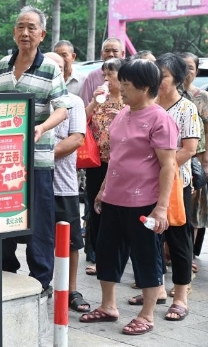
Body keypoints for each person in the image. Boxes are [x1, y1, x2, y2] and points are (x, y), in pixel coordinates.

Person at [80, 59, 178, 336]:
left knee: (146, 256)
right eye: (119, 83)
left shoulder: (160, 119)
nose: (120, 89)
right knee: (107, 252)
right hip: (114, 198)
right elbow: (116, 158)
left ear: (145, 87)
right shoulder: (123, 114)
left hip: (144, 202)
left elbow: (169, 165)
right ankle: (108, 306)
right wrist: (102, 190)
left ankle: (147, 314)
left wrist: (161, 208)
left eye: (126, 85)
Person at [0, 6, 71, 296]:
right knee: (1, 216)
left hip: (37, 159)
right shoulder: (2, 65)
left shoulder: (50, 67)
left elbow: (62, 109)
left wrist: (41, 127)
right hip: (3, 159)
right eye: (20, 27)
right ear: (14, 31)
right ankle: (2, 270)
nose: (25, 33)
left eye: (31, 28)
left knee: (38, 221)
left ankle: (41, 280)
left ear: (42, 34)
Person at [146, 53, 199, 320]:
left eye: (163, 76)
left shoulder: (186, 108)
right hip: (146, 186)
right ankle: (156, 290)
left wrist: (159, 170)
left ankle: (180, 296)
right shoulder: (148, 104)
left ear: (177, 80)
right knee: (151, 240)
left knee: (178, 243)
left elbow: (189, 149)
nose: (158, 81)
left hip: (177, 185)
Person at [45, 52, 88, 312]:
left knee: (71, 241)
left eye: (61, 68)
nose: (56, 73)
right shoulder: (37, 101)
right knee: (40, 239)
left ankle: (72, 289)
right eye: (51, 68)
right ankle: (43, 283)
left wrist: (42, 156)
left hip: (64, 185)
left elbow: (76, 140)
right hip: (34, 184)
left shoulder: (74, 102)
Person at [83, 58, 126, 277]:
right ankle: (100, 258)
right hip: (97, 163)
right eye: (105, 75)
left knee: (118, 212)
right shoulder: (101, 98)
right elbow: (82, 120)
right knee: (97, 210)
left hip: (121, 166)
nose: (107, 79)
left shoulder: (130, 102)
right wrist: (93, 101)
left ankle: (119, 257)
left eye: (112, 74)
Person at [180, 52, 208, 259]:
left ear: (196, 71)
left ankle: (188, 257)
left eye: (190, 67)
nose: (186, 71)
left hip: (196, 160)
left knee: (195, 211)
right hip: (175, 159)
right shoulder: (167, 94)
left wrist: (205, 162)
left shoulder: (202, 97)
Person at [79, 38, 125, 106]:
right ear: (101, 53)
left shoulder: (130, 75)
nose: (111, 54)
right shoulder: (93, 76)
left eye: (115, 51)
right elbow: (84, 105)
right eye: (107, 51)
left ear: (122, 53)